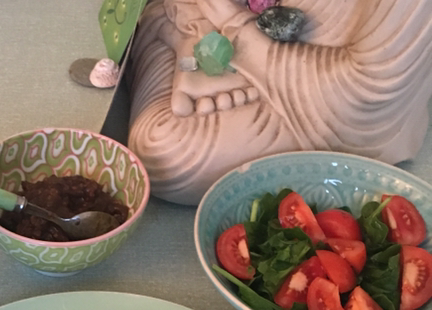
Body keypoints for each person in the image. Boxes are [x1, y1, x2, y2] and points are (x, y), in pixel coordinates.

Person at [128, 0, 432, 204]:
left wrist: (237, 28)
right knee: (157, 16)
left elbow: (368, 89)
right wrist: (207, 23)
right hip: (243, 32)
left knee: (162, 150)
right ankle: (196, 50)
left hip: (322, 102)